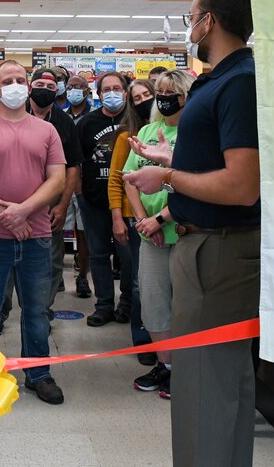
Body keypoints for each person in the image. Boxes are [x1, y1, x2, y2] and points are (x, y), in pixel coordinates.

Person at [125, 0, 260, 467]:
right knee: (219, 383)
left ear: (211, 21)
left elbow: (242, 185)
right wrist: (172, 157)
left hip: (217, 249)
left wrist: (167, 177)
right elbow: (219, 160)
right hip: (204, 244)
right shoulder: (219, 79)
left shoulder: (239, 82)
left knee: (205, 385)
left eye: (192, 16)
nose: (189, 26)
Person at [0, 60, 67, 405]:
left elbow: (57, 179)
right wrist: (8, 215)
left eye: (21, 79)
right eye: (8, 80)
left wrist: (24, 211)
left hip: (37, 238)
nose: (16, 85)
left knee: (36, 311)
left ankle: (38, 374)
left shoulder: (47, 132)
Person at [124, 70, 194, 400]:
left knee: (184, 306)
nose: (164, 98)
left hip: (183, 233)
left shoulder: (196, 134)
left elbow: (193, 183)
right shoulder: (148, 131)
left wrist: (160, 218)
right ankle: (166, 365)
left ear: (186, 97)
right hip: (149, 236)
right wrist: (142, 220)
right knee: (152, 303)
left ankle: (185, 369)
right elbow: (130, 178)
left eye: (171, 93)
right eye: (160, 92)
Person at [0, 68, 83, 328]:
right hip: (9, 202)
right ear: (29, 87)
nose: (44, 90)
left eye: (50, 86)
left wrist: (62, 205)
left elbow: (72, 168)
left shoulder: (64, 123)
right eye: (39, 85)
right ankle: (1, 311)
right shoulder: (10, 113)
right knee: (4, 259)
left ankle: (41, 311)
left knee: (50, 259)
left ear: (57, 91)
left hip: (49, 203)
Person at [75, 72, 131, 327]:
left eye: (117, 88)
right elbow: (76, 163)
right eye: (107, 89)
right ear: (98, 94)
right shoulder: (87, 123)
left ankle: (127, 303)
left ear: (125, 92)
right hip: (94, 201)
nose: (112, 93)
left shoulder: (134, 120)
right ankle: (104, 305)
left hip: (129, 203)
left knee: (128, 256)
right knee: (98, 255)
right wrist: (80, 195)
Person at [108, 79, 156, 365]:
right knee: (139, 282)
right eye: (137, 98)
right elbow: (117, 179)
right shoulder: (127, 136)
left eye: (147, 94)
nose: (143, 101)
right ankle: (143, 340)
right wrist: (118, 216)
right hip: (135, 218)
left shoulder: (172, 132)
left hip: (168, 218)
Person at [63, 75, 93, 297]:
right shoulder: (61, 117)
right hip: (62, 181)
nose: (74, 90)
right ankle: (56, 277)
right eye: (70, 87)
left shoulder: (93, 117)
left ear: (87, 91)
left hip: (85, 182)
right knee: (57, 228)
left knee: (84, 231)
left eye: (79, 87)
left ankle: (82, 277)